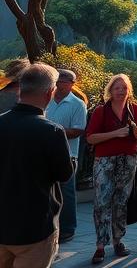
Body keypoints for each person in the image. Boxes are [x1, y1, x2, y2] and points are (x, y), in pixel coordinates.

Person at [0, 63, 73, 268]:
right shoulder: (52, 131)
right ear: (50, 93)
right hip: (35, 227)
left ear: (20, 90)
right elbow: (65, 175)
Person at [85, 73, 137, 263]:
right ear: (110, 91)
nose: (121, 91)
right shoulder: (100, 111)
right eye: (117, 87)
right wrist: (116, 133)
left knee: (121, 202)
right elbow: (90, 138)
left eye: (124, 87)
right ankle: (100, 245)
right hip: (104, 161)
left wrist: (136, 130)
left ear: (129, 91)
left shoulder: (135, 109)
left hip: (128, 160)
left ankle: (118, 240)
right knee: (102, 202)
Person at [44, 69, 86, 244]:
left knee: (66, 192)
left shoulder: (77, 104)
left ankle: (68, 228)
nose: (59, 83)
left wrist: (52, 132)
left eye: (63, 80)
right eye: (57, 80)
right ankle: (49, 226)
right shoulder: (46, 100)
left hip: (68, 155)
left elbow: (78, 130)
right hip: (44, 153)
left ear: (72, 84)